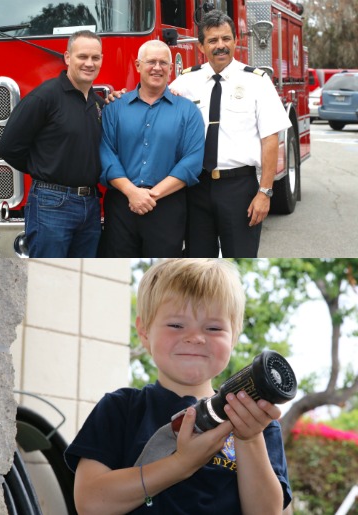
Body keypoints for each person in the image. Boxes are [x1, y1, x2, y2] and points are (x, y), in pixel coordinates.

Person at [68, 259, 290, 514]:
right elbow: (90, 503)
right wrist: (180, 464)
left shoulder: (255, 421)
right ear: (144, 332)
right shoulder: (120, 408)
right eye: (176, 325)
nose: (195, 337)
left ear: (234, 337)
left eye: (214, 327)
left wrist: (249, 439)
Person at [171, 10, 291, 258]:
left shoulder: (257, 81)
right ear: (202, 46)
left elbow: (270, 139)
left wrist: (265, 192)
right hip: (196, 187)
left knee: (240, 261)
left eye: (226, 39)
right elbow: (155, 107)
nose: (220, 46)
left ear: (236, 41)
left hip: (239, 188)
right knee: (198, 264)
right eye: (213, 40)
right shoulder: (184, 82)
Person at [0, 30, 108, 258]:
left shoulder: (98, 104)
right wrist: (45, 168)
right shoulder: (45, 97)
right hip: (51, 204)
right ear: (68, 58)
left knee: (82, 278)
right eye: (82, 57)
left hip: (90, 205)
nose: (89, 63)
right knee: (49, 277)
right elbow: (8, 147)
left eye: (95, 58)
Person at [100, 40, 206, 258]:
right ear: (138, 65)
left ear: (170, 68)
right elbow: (106, 154)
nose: (157, 68)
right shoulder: (114, 108)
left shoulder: (188, 111)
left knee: (164, 271)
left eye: (163, 63)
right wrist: (132, 192)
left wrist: (150, 196)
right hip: (122, 206)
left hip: (167, 206)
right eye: (151, 62)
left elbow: (192, 162)